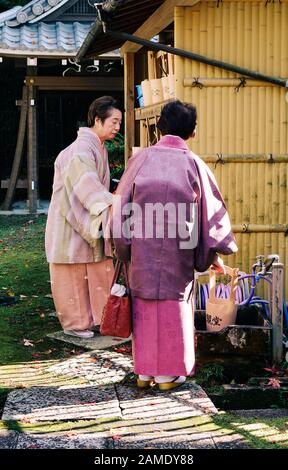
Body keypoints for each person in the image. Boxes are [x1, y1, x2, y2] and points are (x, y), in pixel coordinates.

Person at [111, 100, 238, 390]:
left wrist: (124, 249)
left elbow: (119, 207)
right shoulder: (194, 164)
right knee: (172, 309)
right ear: (192, 132)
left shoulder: (139, 161)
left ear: (160, 128)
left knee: (144, 308)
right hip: (179, 250)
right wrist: (208, 255)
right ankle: (168, 375)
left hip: (141, 251)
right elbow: (210, 215)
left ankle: (144, 373)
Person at [45, 96, 122, 338]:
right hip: (70, 219)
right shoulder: (80, 150)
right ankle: (75, 325)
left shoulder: (95, 146)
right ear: (97, 120)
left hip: (87, 216)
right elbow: (85, 183)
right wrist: (112, 201)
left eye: (119, 122)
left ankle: (100, 318)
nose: (117, 127)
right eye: (114, 121)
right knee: (73, 272)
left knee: (97, 268)